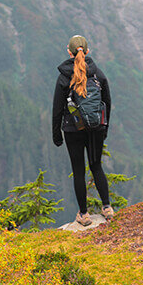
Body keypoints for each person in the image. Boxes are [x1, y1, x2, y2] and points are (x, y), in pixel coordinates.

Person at [52, 34, 114, 226]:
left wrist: (57, 135)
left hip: (73, 129)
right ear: (88, 52)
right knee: (96, 166)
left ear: (69, 52)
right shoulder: (98, 74)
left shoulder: (64, 78)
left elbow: (57, 109)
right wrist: (104, 128)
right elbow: (107, 103)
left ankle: (84, 215)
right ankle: (107, 208)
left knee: (78, 171)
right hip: (96, 127)